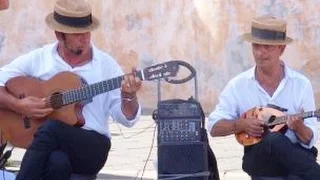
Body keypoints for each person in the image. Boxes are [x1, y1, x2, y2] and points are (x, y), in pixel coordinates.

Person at [0, 0, 142, 179]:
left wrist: (129, 96)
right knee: (57, 162)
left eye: (87, 32)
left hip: (92, 146)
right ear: (59, 34)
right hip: (54, 146)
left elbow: (126, 119)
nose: (85, 39)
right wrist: (18, 105)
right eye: (77, 34)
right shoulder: (40, 58)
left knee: (51, 128)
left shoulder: (106, 66)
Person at [207, 16, 320, 180]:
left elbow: (310, 138)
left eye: (267, 47)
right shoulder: (238, 85)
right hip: (259, 159)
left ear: (281, 49)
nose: (260, 53)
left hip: (296, 158)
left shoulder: (301, 85)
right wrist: (241, 124)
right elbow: (213, 126)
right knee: (273, 140)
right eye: (256, 46)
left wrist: (299, 127)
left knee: (292, 166)